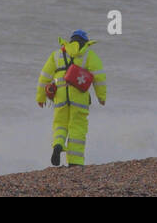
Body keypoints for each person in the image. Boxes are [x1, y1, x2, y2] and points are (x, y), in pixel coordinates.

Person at [36, 29, 107, 166]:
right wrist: (101, 96)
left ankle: (58, 145)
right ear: (85, 42)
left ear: (71, 41)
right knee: (77, 127)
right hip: (79, 97)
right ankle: (75, 162)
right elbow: (99, 77)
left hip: (60, 95)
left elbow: (44, 76)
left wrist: (41, 97)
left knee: (60, 124)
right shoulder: (89, 55)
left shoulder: (57, 54)